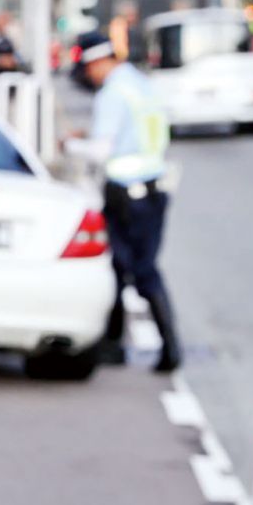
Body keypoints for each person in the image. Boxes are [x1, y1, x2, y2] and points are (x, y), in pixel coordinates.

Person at [65, 30, 182, 373]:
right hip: (153, 186)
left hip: (127, 194)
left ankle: (167, 347)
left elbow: (103, 151)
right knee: (120, 265)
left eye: (87, 68)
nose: (87, 75)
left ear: (98, 61)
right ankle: (115, 343)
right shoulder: (140, 84)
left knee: (136, 268)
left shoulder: (112, 94)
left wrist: (70, 147)